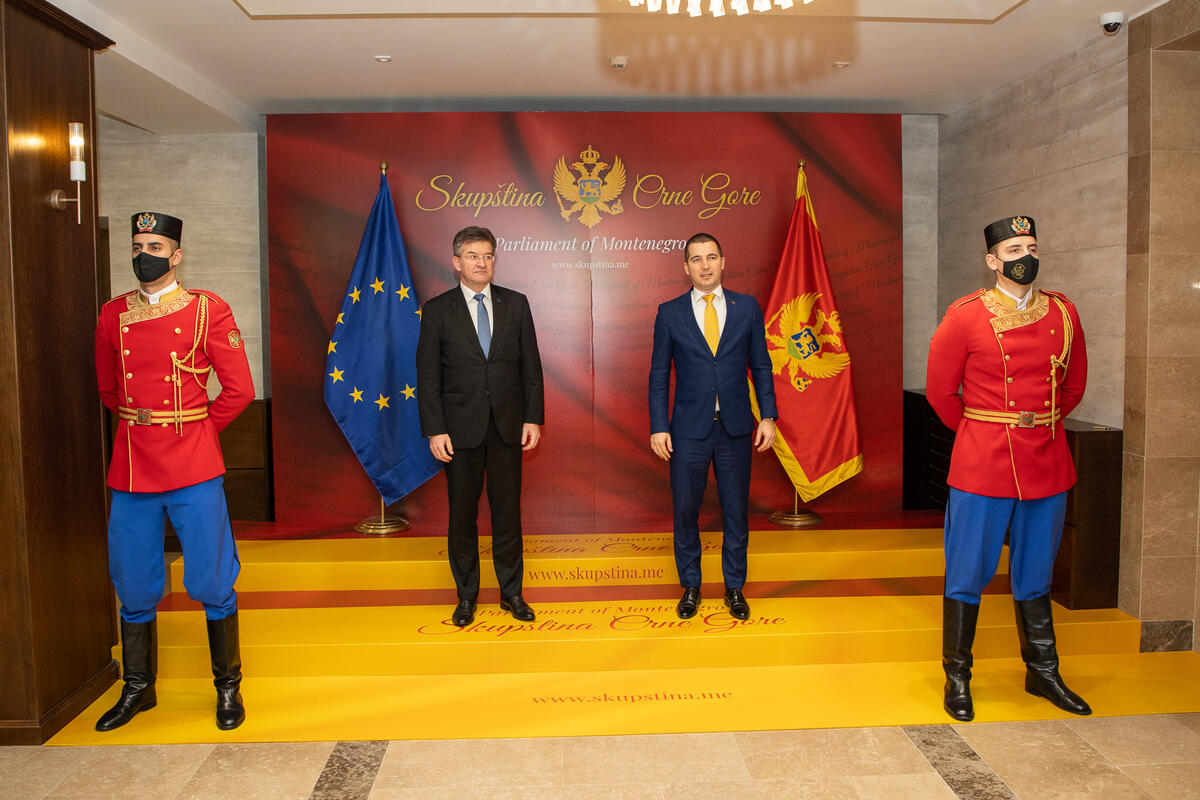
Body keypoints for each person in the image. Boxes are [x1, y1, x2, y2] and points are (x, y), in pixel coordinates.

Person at [93, 211, 254, 731]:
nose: (145, 255)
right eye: (138, 246)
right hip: (133, 466)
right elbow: (109, 390)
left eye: (156, 247)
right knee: (134, 578)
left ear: (176, 255)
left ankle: (227, 687)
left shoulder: (208, 310)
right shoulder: (112, 314)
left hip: (193, 464)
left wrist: (196, 430)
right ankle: (138, 688)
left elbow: (239, 390)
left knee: (211, 576)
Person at [926, 215, 1090, 722]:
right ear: (992, 260)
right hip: (983, 464)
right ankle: (958, 676)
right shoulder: (965, 316)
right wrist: (984, 431)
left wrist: (1036, 424)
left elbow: (1073, 385)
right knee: (967, 572)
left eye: (1032, 247)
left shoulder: (1063, 312)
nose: (1026, 256)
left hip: (1046, 461)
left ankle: (1043, 672)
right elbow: (941, 393)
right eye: (1015, 249)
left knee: (1036, 573)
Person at [416, 226, 544, 627]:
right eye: (473, 256)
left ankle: (512, 593)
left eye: (488, 255)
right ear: (456, 262)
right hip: (458, 431)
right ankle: (467, 596)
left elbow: (531, 368)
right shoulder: (437, 310)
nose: (481, 262)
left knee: (507, 514)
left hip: (508, 427)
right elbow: (428, 376)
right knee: (462, 516)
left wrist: (532, 418)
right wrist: (435, 429)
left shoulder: (516, 304)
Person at [649, 233, 778, 621]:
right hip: (687, 430)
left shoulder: (747, 308)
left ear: (723, 262)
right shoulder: (669, 313)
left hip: (735, 428)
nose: (704, 265)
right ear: (685, 267)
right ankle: (690, 585)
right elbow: (659, 375)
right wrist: (659, 426)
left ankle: (734, 587)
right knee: (685, 510)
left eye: (711, 257)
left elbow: (762, 365)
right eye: (696, 259)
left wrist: (768, 416)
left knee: (736, 510)